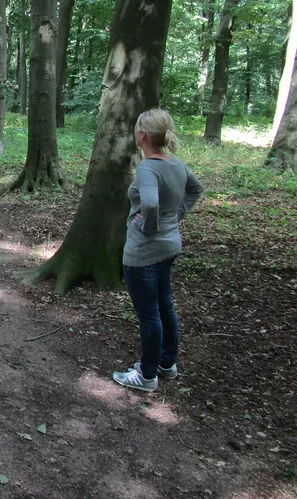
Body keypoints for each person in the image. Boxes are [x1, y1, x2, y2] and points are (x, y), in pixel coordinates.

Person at [112, 108, 205, 392]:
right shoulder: (175, 163)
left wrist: (150, 227)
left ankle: (147, 375)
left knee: (149, 314)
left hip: (144, 252)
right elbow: (196, 190)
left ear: (142, 135)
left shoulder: (149, 168)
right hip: (170, 245)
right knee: (165, 305)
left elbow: (150, 203)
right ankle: (167, 364)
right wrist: (175, 217)